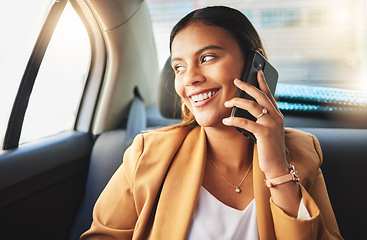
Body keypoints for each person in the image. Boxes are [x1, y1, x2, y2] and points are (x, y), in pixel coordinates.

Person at [81, 6, 343, 240]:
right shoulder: (146, 154)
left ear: (255, 64)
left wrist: (278, 170)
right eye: (179, 67)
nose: (190, 79)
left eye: (207, 58)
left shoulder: (303, 152)